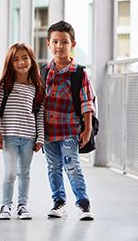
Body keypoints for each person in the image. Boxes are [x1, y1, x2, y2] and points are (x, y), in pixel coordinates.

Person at [42, 21, 95, 221]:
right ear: (48, 43)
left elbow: (86, 102)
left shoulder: (79, 72)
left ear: (72, 44)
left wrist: (87, 129)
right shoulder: (44, 71)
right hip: (48, 132)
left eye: (64, 42)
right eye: (55, 41)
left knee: (72, 167)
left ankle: (83, 204)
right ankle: (59, 203)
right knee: (53, 168)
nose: (59, 46)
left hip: (70, 130)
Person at [0, 43, 44, 220]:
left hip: (29, 138)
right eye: (16, 59)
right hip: (10, 137)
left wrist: (40, 138)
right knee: (10, 172)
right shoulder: (5, 86)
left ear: (31, 60)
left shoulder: (36, 87)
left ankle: (23, 206)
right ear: (10, 63)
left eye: (25, 58)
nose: (21, 62)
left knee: (25, 172)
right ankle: (5, 205)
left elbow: (39, 115)